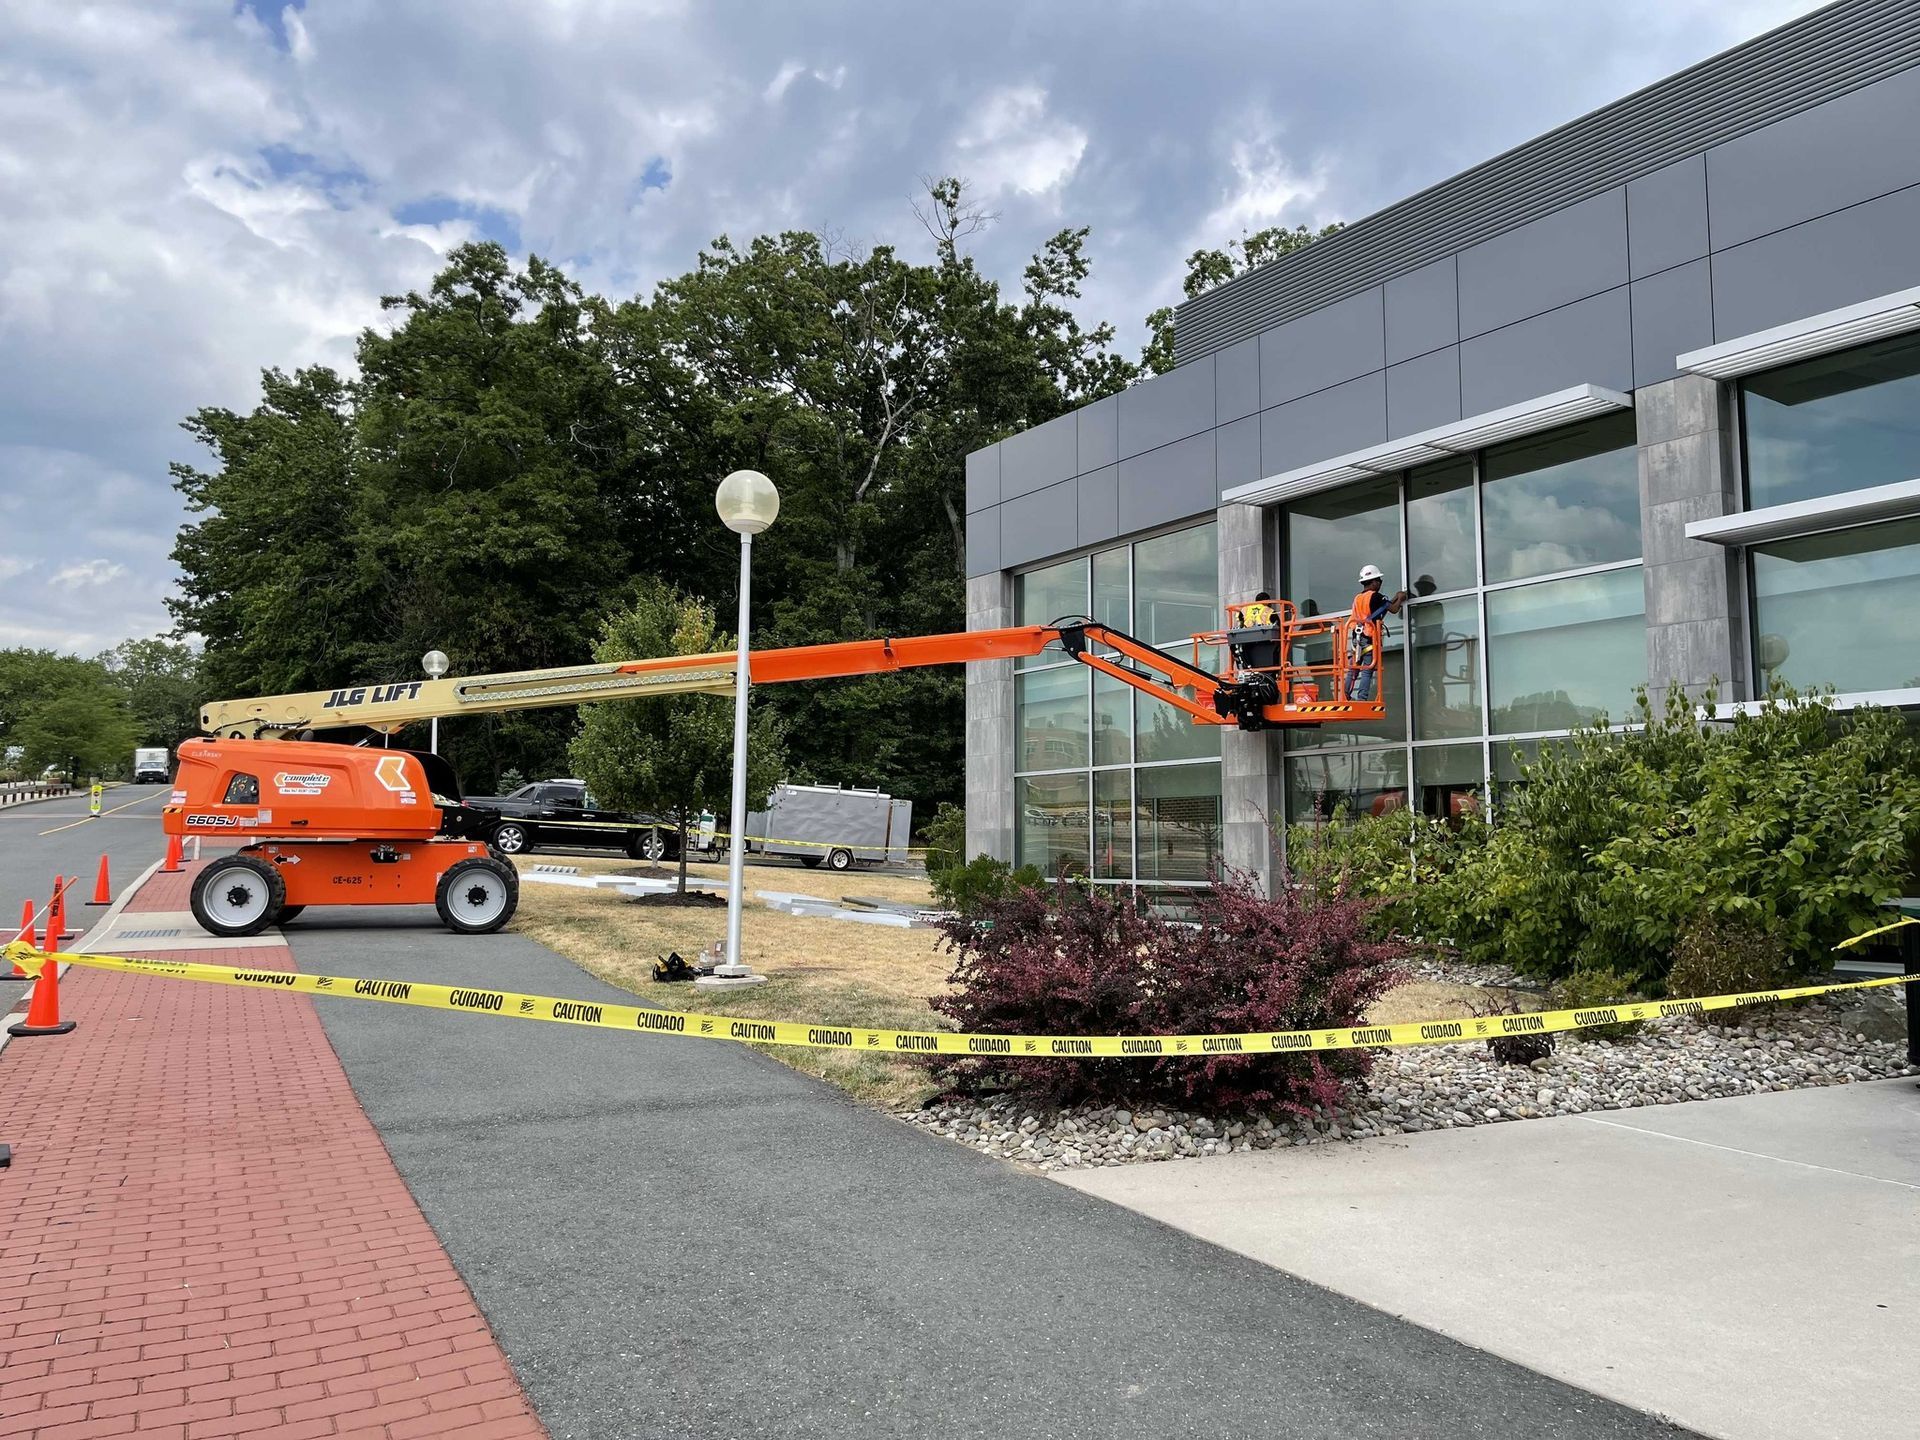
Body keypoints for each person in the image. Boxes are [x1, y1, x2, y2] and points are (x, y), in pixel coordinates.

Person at [1347, 564, 1408, 700]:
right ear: (1374, 582)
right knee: (1367, 669)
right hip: (1369, 637)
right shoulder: (1376, 596)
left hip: (1356, 637)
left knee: (1353, 669)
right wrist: (1400, 597)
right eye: (1379, 580)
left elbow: (1381, 608)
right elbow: (1393, 609)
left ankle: (1345, 695)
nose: (1380, 583)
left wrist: (1392, 599)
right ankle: (1362, 698)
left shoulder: (1358, 598)